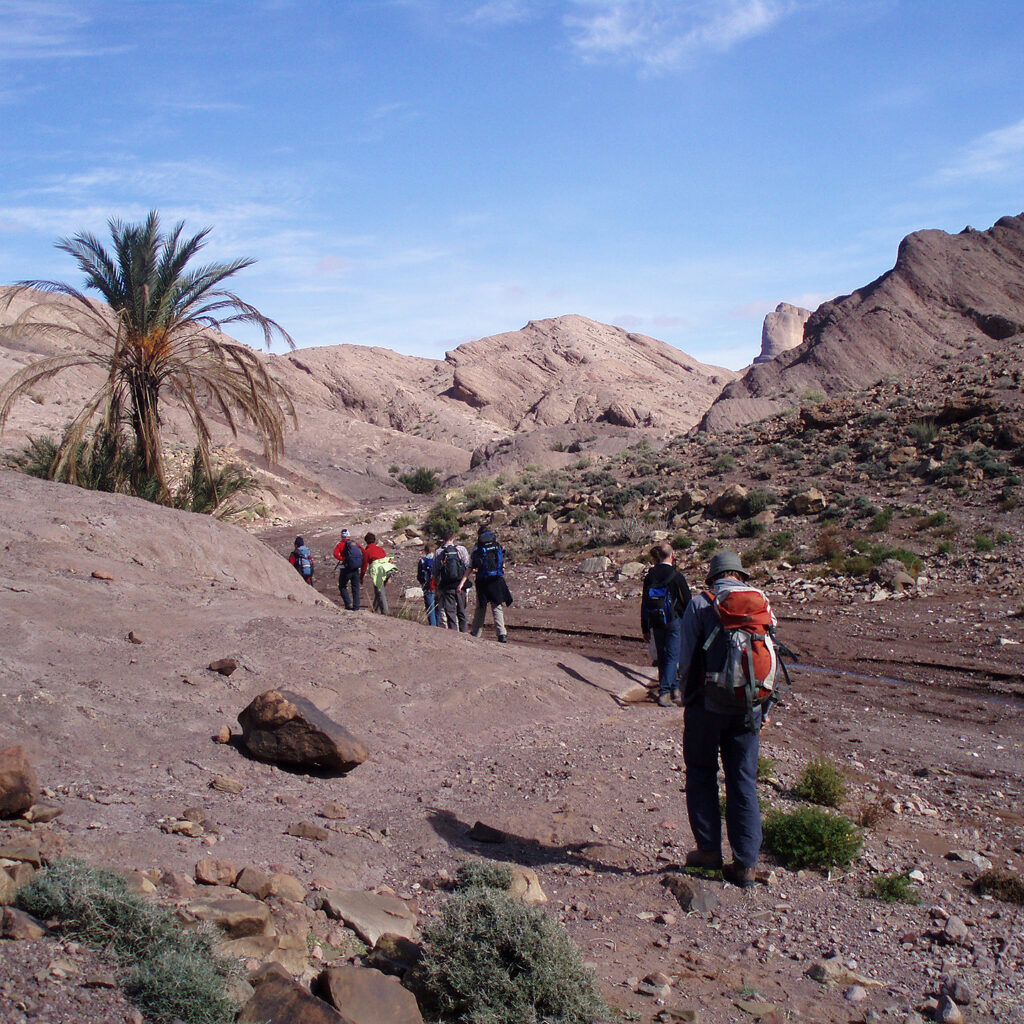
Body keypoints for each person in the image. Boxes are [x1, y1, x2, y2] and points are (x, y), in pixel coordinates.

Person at [677, 551, 776, 888]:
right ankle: (746, 866)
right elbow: (768, 663)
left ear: (713, 576)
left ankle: (708, 853)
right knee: (743, 782)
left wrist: (684, 696)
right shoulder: (760, 604)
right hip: (748, 708)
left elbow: (687, 659)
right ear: (739, 575)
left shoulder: (700, 603)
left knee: (702, 774)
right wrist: (763, 710)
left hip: (705, 707)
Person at [640, 541, 691, 706]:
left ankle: (675, 690)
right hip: (674, 621)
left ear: (658, 557)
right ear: (672, 556)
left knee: (663, 657)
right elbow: (688, 601)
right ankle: (664, 693)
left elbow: (644, 602)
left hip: (656, 620)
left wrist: (645, 627)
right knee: (673, 656)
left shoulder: (650, 575)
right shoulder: (677, 576)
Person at [469, 525, 512, 642]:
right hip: (496, 579)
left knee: (481, 607)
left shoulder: (477, 547)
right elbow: (502, 563)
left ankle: (476, 633)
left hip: (482, 581)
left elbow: (472, 565)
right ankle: (502, 634)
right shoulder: (497, 546)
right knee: (497, 606)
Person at [432, 531, 471, 631]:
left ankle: (453, 634)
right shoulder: (461, 549)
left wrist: (436, 589)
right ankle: (464, 633)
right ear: (453, 538)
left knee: (450, 612)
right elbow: (468, 566)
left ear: (443, 539)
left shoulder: (438, 552)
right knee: (462, 611)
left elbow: (435, 571)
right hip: (460, 585)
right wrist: (464, 585)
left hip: (446, 586)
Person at [333, 529, 364, 610]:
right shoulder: (355, 543)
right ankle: (356, 607)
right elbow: (363, 551)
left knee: (342, 586)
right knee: (355, 587)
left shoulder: (340, 544)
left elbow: (335, 554)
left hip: (346, 568)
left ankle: (348, 603)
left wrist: (343, 559)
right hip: (356, 567)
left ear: (342, 536)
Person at [361, 532, 391, 614]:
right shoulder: (380, 549)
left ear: (366, 541)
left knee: (380, 592)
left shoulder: (367, 551)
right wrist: (390, 576)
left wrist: (361, 577)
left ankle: (386, 613)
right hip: (387, 571)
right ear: (375, 540)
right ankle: (375, 610)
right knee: (379, 591)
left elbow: (364, 566)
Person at [417, 551, 442, 626]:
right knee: (438, 608)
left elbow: (419, 576)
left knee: (430, 609)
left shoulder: (423, 561)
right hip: (438, 587)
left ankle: (432, 626)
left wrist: (423, 584)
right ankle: (438, 627)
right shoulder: (438, 560)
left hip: (428, 587)